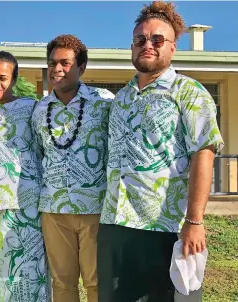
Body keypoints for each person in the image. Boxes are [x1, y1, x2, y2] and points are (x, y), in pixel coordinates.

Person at [97, 2, 224, 301]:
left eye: (157, 40)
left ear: (173, 48)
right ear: (132, 46)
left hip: (165, 225)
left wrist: (195, 222)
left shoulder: (189, 93)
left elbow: (203, 154)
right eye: (140, 40)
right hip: (115, 225)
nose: (148, 45)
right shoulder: (121, 99)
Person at [31, 34, 114, 302]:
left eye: (65, 63)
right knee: (62, 282)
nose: (57, 69)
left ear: (81, 67)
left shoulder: (103, 102)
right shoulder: (39, 110)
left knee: (96, 281)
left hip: (95, 208)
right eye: (53, 63)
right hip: (53, 209)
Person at [0, 51, 51, 302]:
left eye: (3, 78)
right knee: (1, 273)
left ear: (14, 80)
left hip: (27, 201)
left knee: (32, 270)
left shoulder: (31, 107)